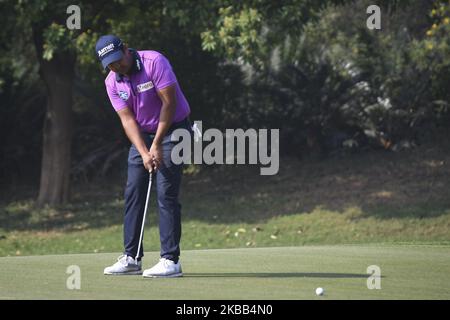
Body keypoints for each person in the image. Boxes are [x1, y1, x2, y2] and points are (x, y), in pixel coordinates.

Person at [95, 35, 192, 278]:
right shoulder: (112, 82)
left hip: (174, 130)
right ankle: (131, 257)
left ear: (126, 49)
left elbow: (169, 104)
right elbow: (127, 120)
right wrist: (143, 151)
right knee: (134, 191)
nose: (117, 66)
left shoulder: (154, 62)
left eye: (118, 60)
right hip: (143, 135)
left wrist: (157, 143)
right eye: (111, 64)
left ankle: (170, 260)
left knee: (165, 192)